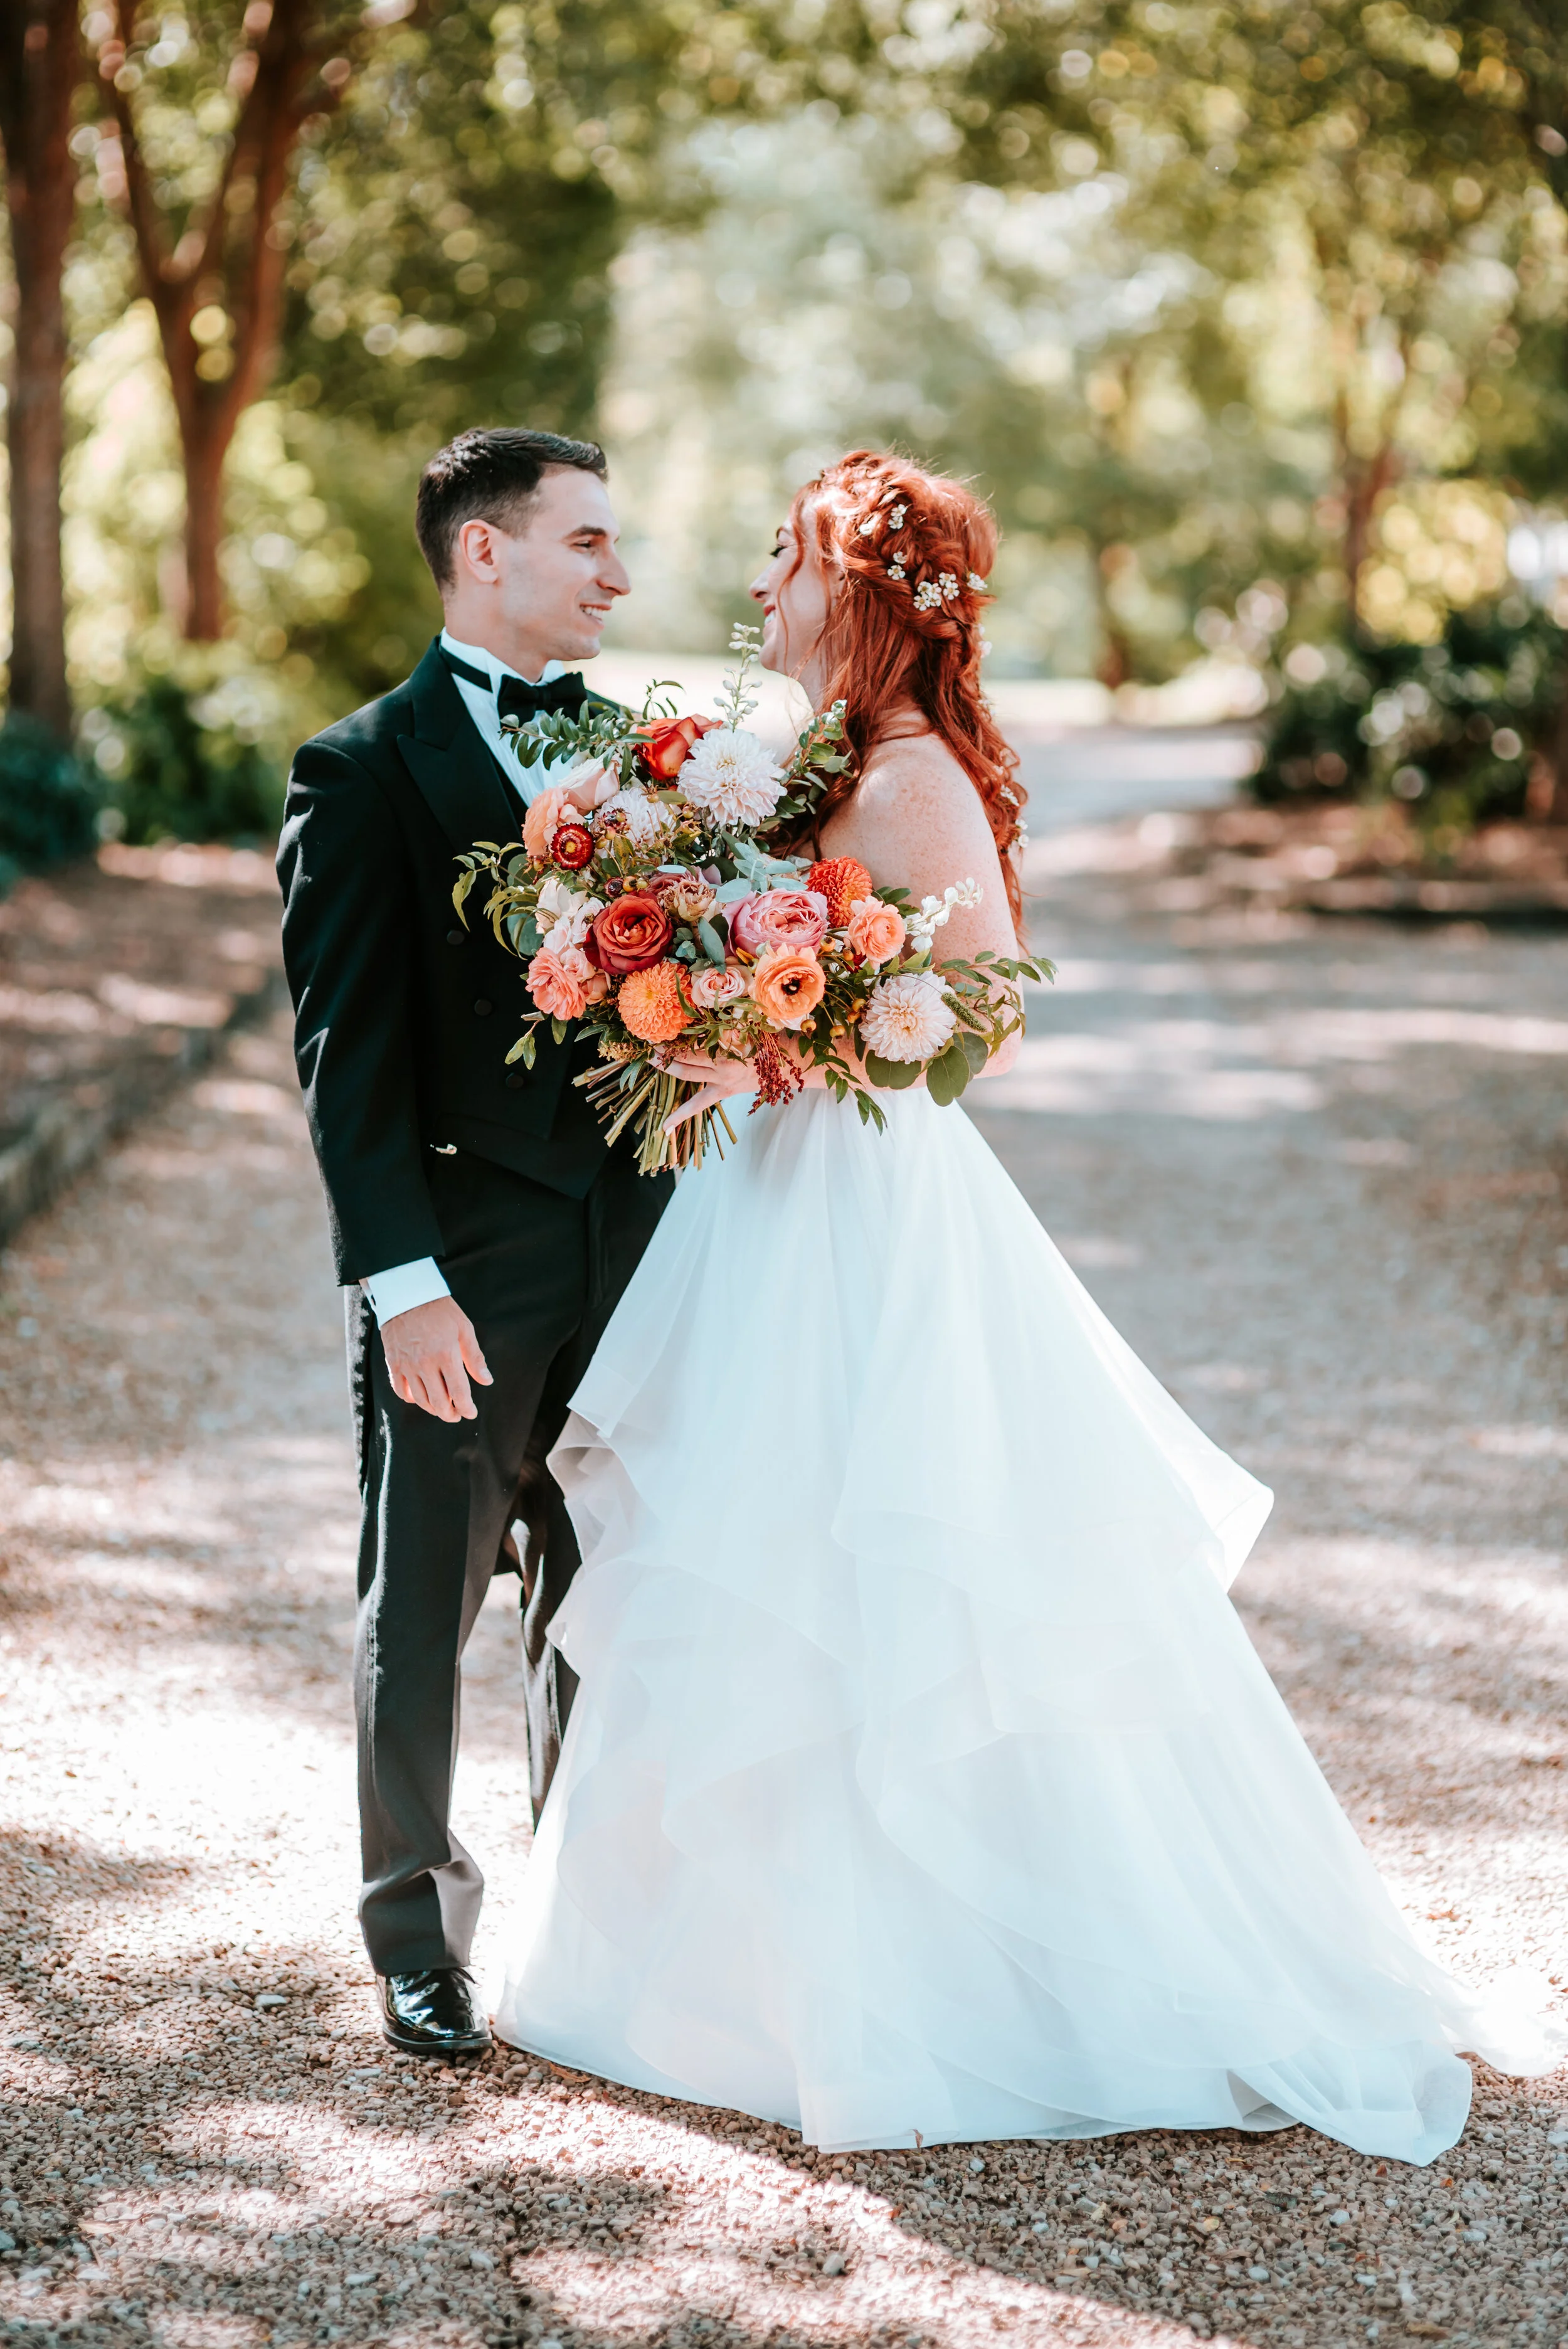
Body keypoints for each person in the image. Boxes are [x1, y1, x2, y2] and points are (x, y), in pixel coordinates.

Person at [492, 448, 1555, 2161]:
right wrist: (701, 1011)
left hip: (864, 1212)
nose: (756, 588)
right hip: (775, 1195)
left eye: (784, 562)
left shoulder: (907, 775)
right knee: (767, 1554)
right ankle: (737, 1977)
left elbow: (972, 1014)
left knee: (877, 1559)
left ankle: (951, 1984)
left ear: (854, 593)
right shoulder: (814, 765)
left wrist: (799, 1025)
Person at [276, 427, 671, 2060]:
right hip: (464, 1264)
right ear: (484, 552)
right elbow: (342, 1058)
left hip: (646, 1249)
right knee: (423, 1603)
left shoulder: (649, 761)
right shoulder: (361, 770)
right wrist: (404, 1286)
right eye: (586, 541)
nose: (617, 574)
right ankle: (415, 1937)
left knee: (618, 1592)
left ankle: (594, 1925)